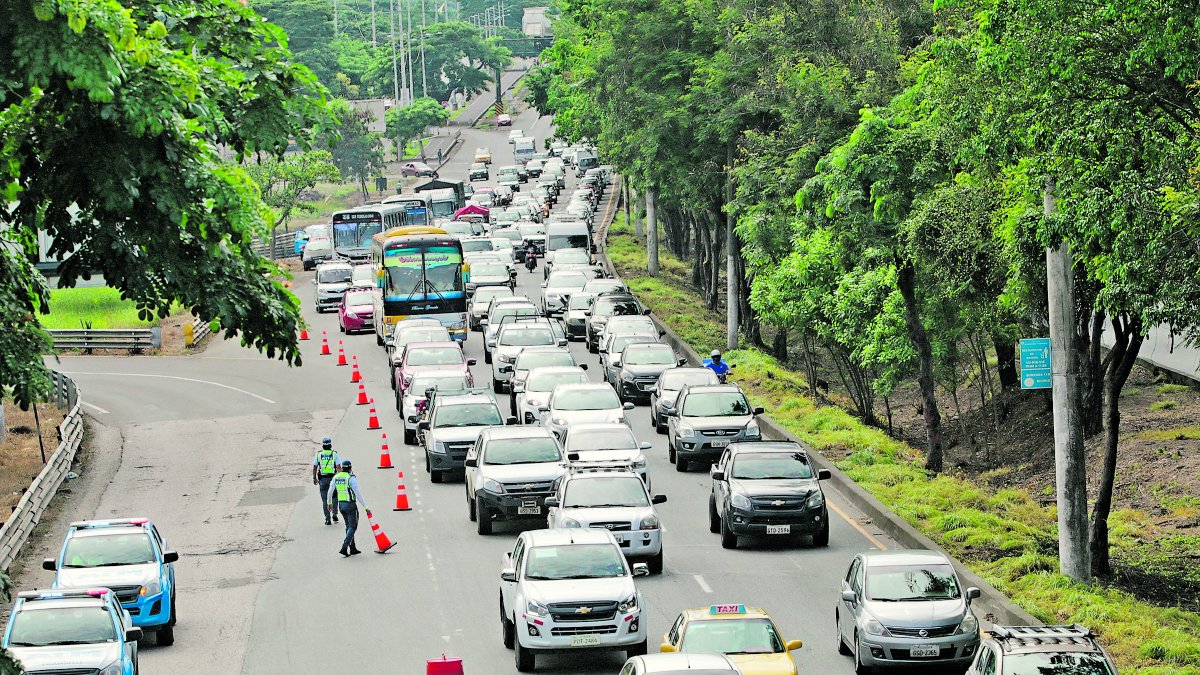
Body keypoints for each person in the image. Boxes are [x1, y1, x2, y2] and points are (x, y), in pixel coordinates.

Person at [327, 460, 371, 557]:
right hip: (350, 506)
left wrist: (329, 503)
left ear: (342, 468)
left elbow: (330, 491)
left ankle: (352, 548)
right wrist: (366, 506)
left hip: (341, 505)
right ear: (350, 468)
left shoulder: (336, 477)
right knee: (353, 527)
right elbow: (357, 493)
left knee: (348, 526)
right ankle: (344, 547)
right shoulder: (351, 478)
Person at [312, 437, 340, 525]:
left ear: (323, 446)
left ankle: (327, 519)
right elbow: (338, 467)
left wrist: (314, 478)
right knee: (334, 496)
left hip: (323, 480)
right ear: (330, 445)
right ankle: (334, 513)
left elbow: (315, 467)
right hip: (333, 478)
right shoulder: (334, 454)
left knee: (325, 499)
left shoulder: (319, 454)